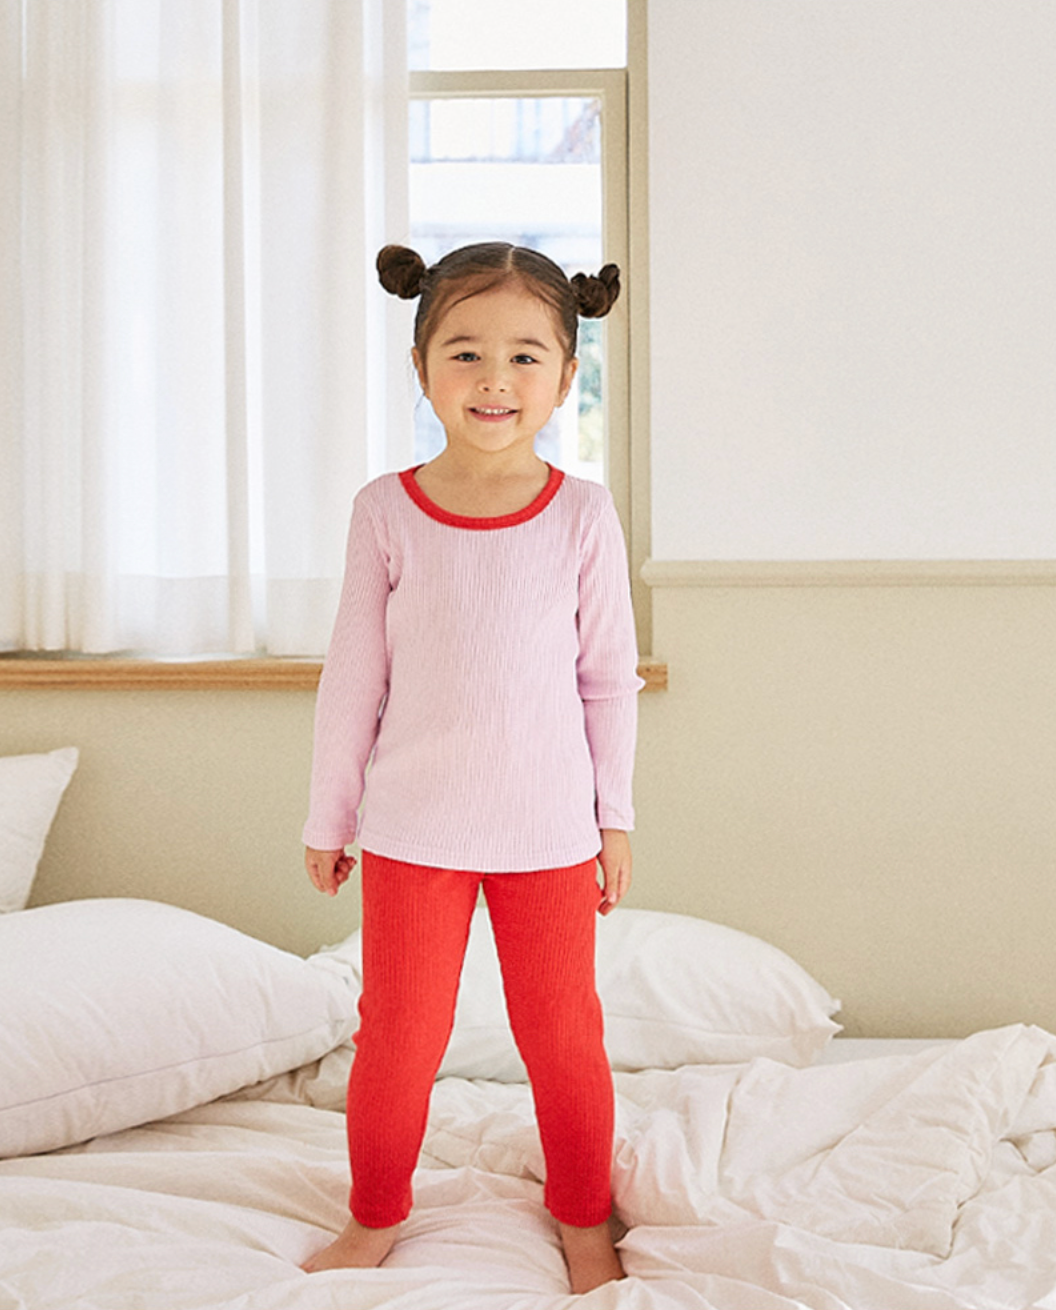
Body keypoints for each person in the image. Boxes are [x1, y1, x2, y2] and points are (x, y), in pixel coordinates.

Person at [300, 241, 642, 1294]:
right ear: (421, 367)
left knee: (563, 1035)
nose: (495, 379)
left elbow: (607, 680)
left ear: (566, 376)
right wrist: (330, 815)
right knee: (399, 1036)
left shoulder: (582, 514)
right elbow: (353, 676)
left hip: (550, 832)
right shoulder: (385, 510)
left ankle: (582, 1214)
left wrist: (614, 818)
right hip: (415, 828)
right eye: (465, 352)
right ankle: (375, 1211)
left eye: (525, 356)